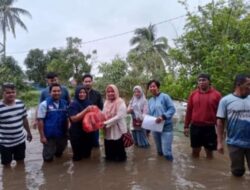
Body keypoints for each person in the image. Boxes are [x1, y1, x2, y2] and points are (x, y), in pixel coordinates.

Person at [216, 74, 250, 177]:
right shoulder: (225, 101)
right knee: (237, 172)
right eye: (248, 84)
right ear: (239, 84)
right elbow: (220, 122)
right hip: (234, 142)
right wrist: (219, 142)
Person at [184, 73, 221, 159]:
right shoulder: (193, 94)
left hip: (210, 127)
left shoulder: (217, 95)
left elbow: (221, 114)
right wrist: (186, 126)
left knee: (209, 152)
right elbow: (189, 111)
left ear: (209, 81)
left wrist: (221, 130)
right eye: (199, 80)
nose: (201, 82)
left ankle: (209, 170)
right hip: (195, 127)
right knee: (195, 151)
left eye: (204, 80)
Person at [0, 83, 32, 166]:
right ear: (2, 93)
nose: (11, 94)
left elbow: (24, 119)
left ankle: (21, 178)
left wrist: (29, 132)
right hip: (5, 143)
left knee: (21, 162)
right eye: (8, 93)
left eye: (13, 92)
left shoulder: (20, 103)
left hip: (20, 141)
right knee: (6, 165)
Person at [37, 83, 68, 162]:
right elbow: (40, 121)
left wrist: (68, 132)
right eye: (54, 91)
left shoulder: (65, 103)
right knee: (48, 158)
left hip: (62, 134)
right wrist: (42, 136)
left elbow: (67, 118)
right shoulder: (44, 104)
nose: (56, 93)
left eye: (58, 91)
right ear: (50, 92)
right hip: (49, 136)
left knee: (59, 154)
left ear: (61, 92)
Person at [147, 80, 176, 161]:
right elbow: (149, 114)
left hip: (166, 126)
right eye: (150, 87)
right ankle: (161, 170)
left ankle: (169, 170)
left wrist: (163, 117)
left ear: (158, 87)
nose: (152, 88)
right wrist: (147, 129)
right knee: (159, 151)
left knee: (166, 151)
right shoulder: (150, 101)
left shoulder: (165, 96)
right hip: (155, 128)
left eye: (154, 86)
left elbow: (172, 109)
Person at [68, 85, 96, 161]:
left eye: (84, 92)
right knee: (77, 156)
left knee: (87, 155)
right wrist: (86, 110)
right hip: (76, 133)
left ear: (86, 94)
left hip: (88, 133)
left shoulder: (89, 102)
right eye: (80, 92)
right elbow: (74, 119)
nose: (82, 94)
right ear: (77, 93)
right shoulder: (73, 104)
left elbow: (94, 116)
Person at [103, 84, 127, 162]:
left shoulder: (120, 102)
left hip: (118, 129)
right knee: (109, 153)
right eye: (108, 92)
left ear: (116, 92)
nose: (110, 93)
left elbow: (119, 117)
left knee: (119, 154)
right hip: (108, 129)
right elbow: (103, 114)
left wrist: (105, 122)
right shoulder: (106, 102)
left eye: (112, 91)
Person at [82, 74, 103, 148]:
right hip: (82, 121)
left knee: (95, 142)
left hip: (94, 122)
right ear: (83, 82)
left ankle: (96, 157)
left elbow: (101, 108)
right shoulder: (80, 93)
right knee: (84, 143)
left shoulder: (97, 94)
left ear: (92, 82)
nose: (87, 83)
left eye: (89, 81)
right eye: (86, 81)